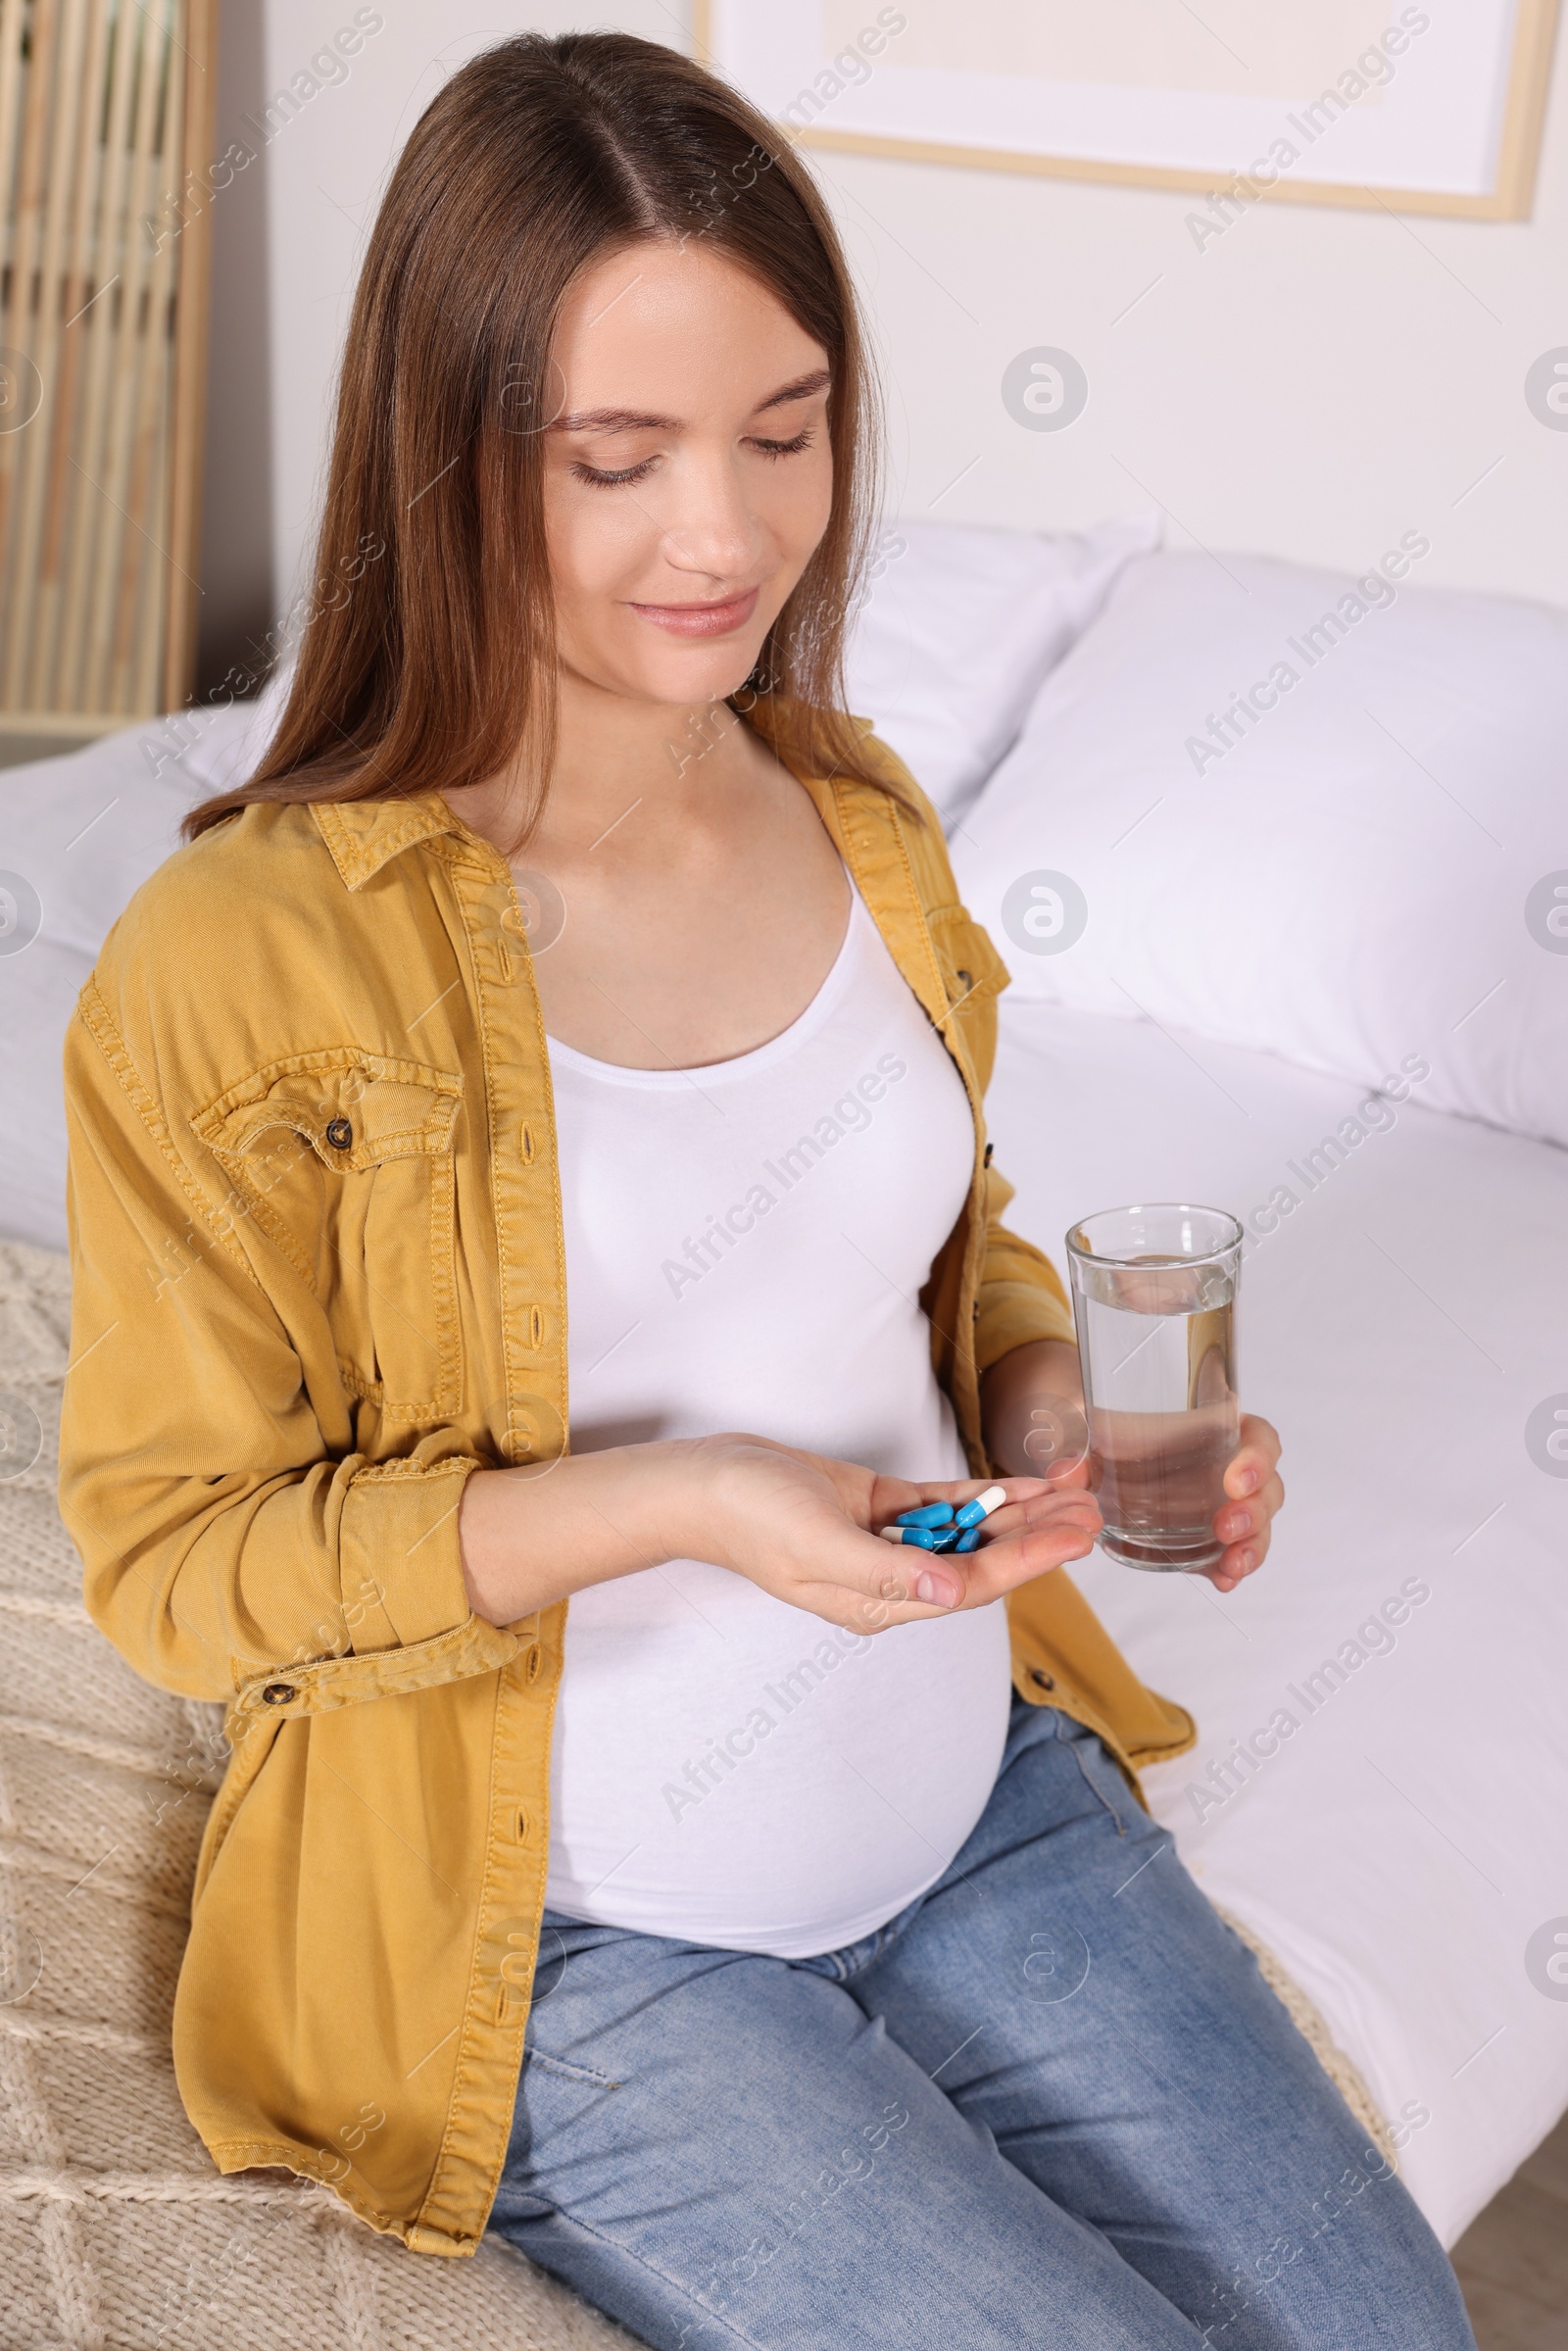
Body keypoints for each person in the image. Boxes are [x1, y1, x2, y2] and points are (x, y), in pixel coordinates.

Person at [59, 31, 1476, 2351]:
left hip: (972, 1804)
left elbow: (944, 1244)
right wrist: (682, 1500)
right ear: (447, 458)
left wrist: (1044, 1419)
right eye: (613, 460)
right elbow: (183, 1567)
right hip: (558, 1934)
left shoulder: (861, 816)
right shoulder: (245, 960)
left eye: (783, 430)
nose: (720, 536)